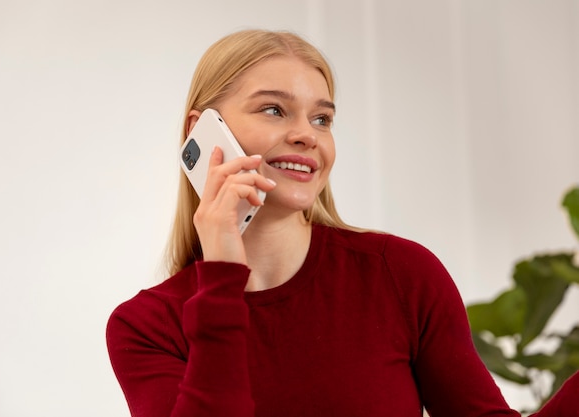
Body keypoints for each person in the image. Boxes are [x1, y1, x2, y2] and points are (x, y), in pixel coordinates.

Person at [106, 29, 578, 417]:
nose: (306, 135)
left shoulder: (400, 274)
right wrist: (222, 278)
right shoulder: (146, 327)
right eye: (274, 109)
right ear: (200, 132)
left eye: (322, 119)